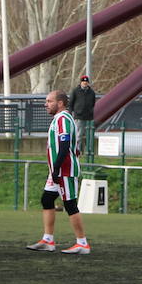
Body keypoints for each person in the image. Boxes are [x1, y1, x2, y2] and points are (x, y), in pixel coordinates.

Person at [26, 90, 91, 255]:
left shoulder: (63, 119)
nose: (45, 104)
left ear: (60, 103)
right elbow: (74, 147)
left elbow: (64, 145)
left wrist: (56, 169)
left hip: (64, 170)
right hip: (57, 170)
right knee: (47, 199)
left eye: (49, 101)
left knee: (70, 205)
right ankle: (48, 240)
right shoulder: (60, 119)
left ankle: (82, 243)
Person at [68, 75, 96, 159]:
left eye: (86, 82)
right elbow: (71, 103)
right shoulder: (76, 91)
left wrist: (90, 110)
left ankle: (90, 151)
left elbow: (93, 103)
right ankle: (77, 151)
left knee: (90, 135)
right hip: (79, 116)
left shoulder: (91, 92)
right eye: (84, 82)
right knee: (78, 135)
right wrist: (71, 112)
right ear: (81, 82)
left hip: (89, 116)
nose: (85, 83)